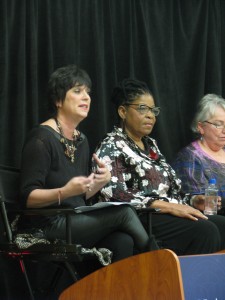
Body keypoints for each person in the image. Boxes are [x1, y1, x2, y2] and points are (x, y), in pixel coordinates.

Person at [19, 65, 154, 271]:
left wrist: (99, 182)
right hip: (46, 226)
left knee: (122, 241)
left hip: (73, 220)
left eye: (88, 93)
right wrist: (65, 192)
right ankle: (158, 261)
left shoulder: (81, 140)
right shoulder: (41, 138)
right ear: (58, 100)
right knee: (124, 212)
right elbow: (28, 198)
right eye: (77, 91)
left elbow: (79, 196)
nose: (86, 98)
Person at [94, 78, 225, 255]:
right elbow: (114, 195)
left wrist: (193, 201)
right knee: (205, 231)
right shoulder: (111, 145)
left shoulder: (151, 145)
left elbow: (171, 191)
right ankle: (185, 282)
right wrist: (169, 207)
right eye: (142, 109)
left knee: (221, 224)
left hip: (166, 213)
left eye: (153, 110)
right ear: (123, 111)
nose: (150, 116)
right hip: (141, 218)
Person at [171, 93, 225, 211]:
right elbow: (203, 205)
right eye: (218, 124)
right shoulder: (189, 157)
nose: (224, 130)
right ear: (201, 127)